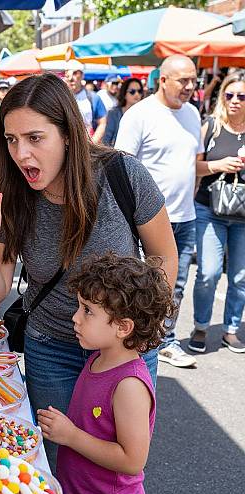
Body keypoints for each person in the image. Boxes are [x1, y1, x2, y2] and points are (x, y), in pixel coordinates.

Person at [0, 73, 178, 469]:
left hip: (123, 350)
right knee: (58, 462)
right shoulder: (10, 193)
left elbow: (163, 257)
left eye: (35, 138)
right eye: (11, 139)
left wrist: (135, 333)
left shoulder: (122, 174)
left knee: (117, 465)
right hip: (50, 348)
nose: (21, 154)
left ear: (68, 134)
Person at [38, 253, 175, 494]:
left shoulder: (130, 385)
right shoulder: (98, 358)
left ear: (123, 327)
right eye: (79, 306)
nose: (75, 318)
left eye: (87, 311)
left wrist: (71, 436)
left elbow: (133, 460)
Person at [115, 54, 203, 368]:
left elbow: (194, 164)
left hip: (185, 216)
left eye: (193, 80)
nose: (190, 86)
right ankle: (132, 339)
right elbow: (121, 167)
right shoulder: (140, 115)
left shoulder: (193, 114)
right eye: (183, 80)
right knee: (140, 281)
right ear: (162, 80)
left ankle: (163, 338)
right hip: (146, 220)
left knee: (175, 284)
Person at [189, 72, 245, 354]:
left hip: (243, 217)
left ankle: (230, 330)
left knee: (239, 276)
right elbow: (193, 167)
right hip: (209, 208)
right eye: (229, 94)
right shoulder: (210, 126)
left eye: (241, 96)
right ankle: (201, 326)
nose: (235, 100)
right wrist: (219, 164)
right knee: (208, 272)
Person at [65, 61, 107, 144]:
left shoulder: (93, 97)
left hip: (87, 144)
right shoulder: (60, 97)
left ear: (82, 75)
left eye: (75, 73)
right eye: (68, 73)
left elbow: (102, 122)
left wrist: (92, 143)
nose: (71, 78)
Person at [103, 78, 144, 147]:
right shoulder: (114, 113)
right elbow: (107, 140)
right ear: (124, 93)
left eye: (139, 91)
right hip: (117, 154)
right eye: (132, 91)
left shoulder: (145, 114)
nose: (136, 94)